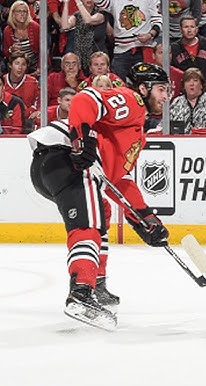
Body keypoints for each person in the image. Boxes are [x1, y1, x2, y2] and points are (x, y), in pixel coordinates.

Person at [27, 62, 171, 330]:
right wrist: (82, 140)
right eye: (161, 89)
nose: (165, 97)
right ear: (144, 88)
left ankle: (97, 285)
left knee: (100, 211)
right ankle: (81, 292)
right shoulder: (132, 100)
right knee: (88, 224)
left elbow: (120, 180)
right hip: (63, 156)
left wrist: (145, 218)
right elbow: (85, 98)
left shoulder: (138, 132)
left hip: (53, 167)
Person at [95, 0, 162, 81]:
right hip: (121, 51)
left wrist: (150, 35)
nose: (120, 17)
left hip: (143, 49)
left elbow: (158, 21)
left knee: (145, 84)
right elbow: (101, 3)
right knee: (118, 84)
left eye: (123, 15)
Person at [59, 0, 108, 75]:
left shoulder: (101, 13)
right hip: (80, 54)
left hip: (97, 56)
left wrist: (78, 3)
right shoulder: (77, 15)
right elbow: (65, 26)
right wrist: (66, 4)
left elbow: (88, 20)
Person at [169, 67, 206, 134]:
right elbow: (165, 125)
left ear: (201, 85)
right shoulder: (176, 102)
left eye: (195, 80)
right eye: (188, 81)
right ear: (184, 86)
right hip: (182, 142)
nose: (191, 84)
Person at [171, 15, 206, 81]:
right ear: (180, 30)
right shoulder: (174, 48)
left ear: (196, 29)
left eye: (192, 27)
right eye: (186, 27)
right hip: (184, 85)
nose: (189, 30)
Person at [3, 1, 40, 76]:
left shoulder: (35, 27)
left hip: (34, 66)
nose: (22, 14)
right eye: (19, 11)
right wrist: (11, 50)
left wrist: (39, 68)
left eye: (24, 11)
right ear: (13, 13)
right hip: (17, 68)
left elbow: (42, 50)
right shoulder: (8, 30)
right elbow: (6, 53)